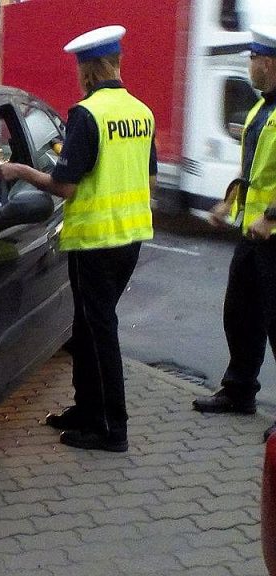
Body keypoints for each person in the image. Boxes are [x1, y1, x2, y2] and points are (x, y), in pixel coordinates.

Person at [0, 25, 157, 452]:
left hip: (95, 241)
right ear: (116, 64)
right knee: (87, 327)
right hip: (130, 238)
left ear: (87, 70)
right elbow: (150, 179)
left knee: (99, 331)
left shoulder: (87, 114)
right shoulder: (142, 112)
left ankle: (111, 429)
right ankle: (86, 410)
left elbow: (64, 185)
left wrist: (19, 172)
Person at [192, 26, 276, 440]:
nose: (249, 69)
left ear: (269, 62)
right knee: (240, 313)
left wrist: (271, 218)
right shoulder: (264, 109)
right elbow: (253, 171)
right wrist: (230, 203)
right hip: (252, 233)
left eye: (253, 60)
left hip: (273, 235)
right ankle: (240, 391)